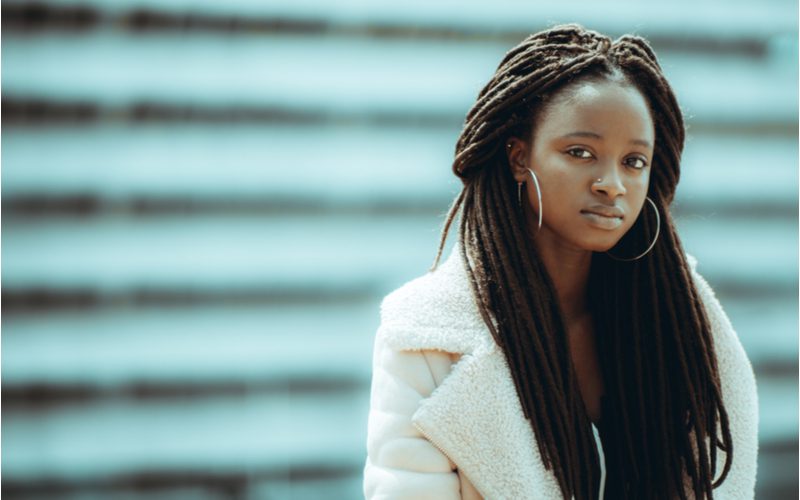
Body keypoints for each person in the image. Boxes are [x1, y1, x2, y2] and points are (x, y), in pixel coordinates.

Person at [362, 23, 758, 500]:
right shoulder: (425, 335)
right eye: (580, 152)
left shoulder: (684, 319)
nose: (611, 183)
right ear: (517, 158)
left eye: (634, 161)